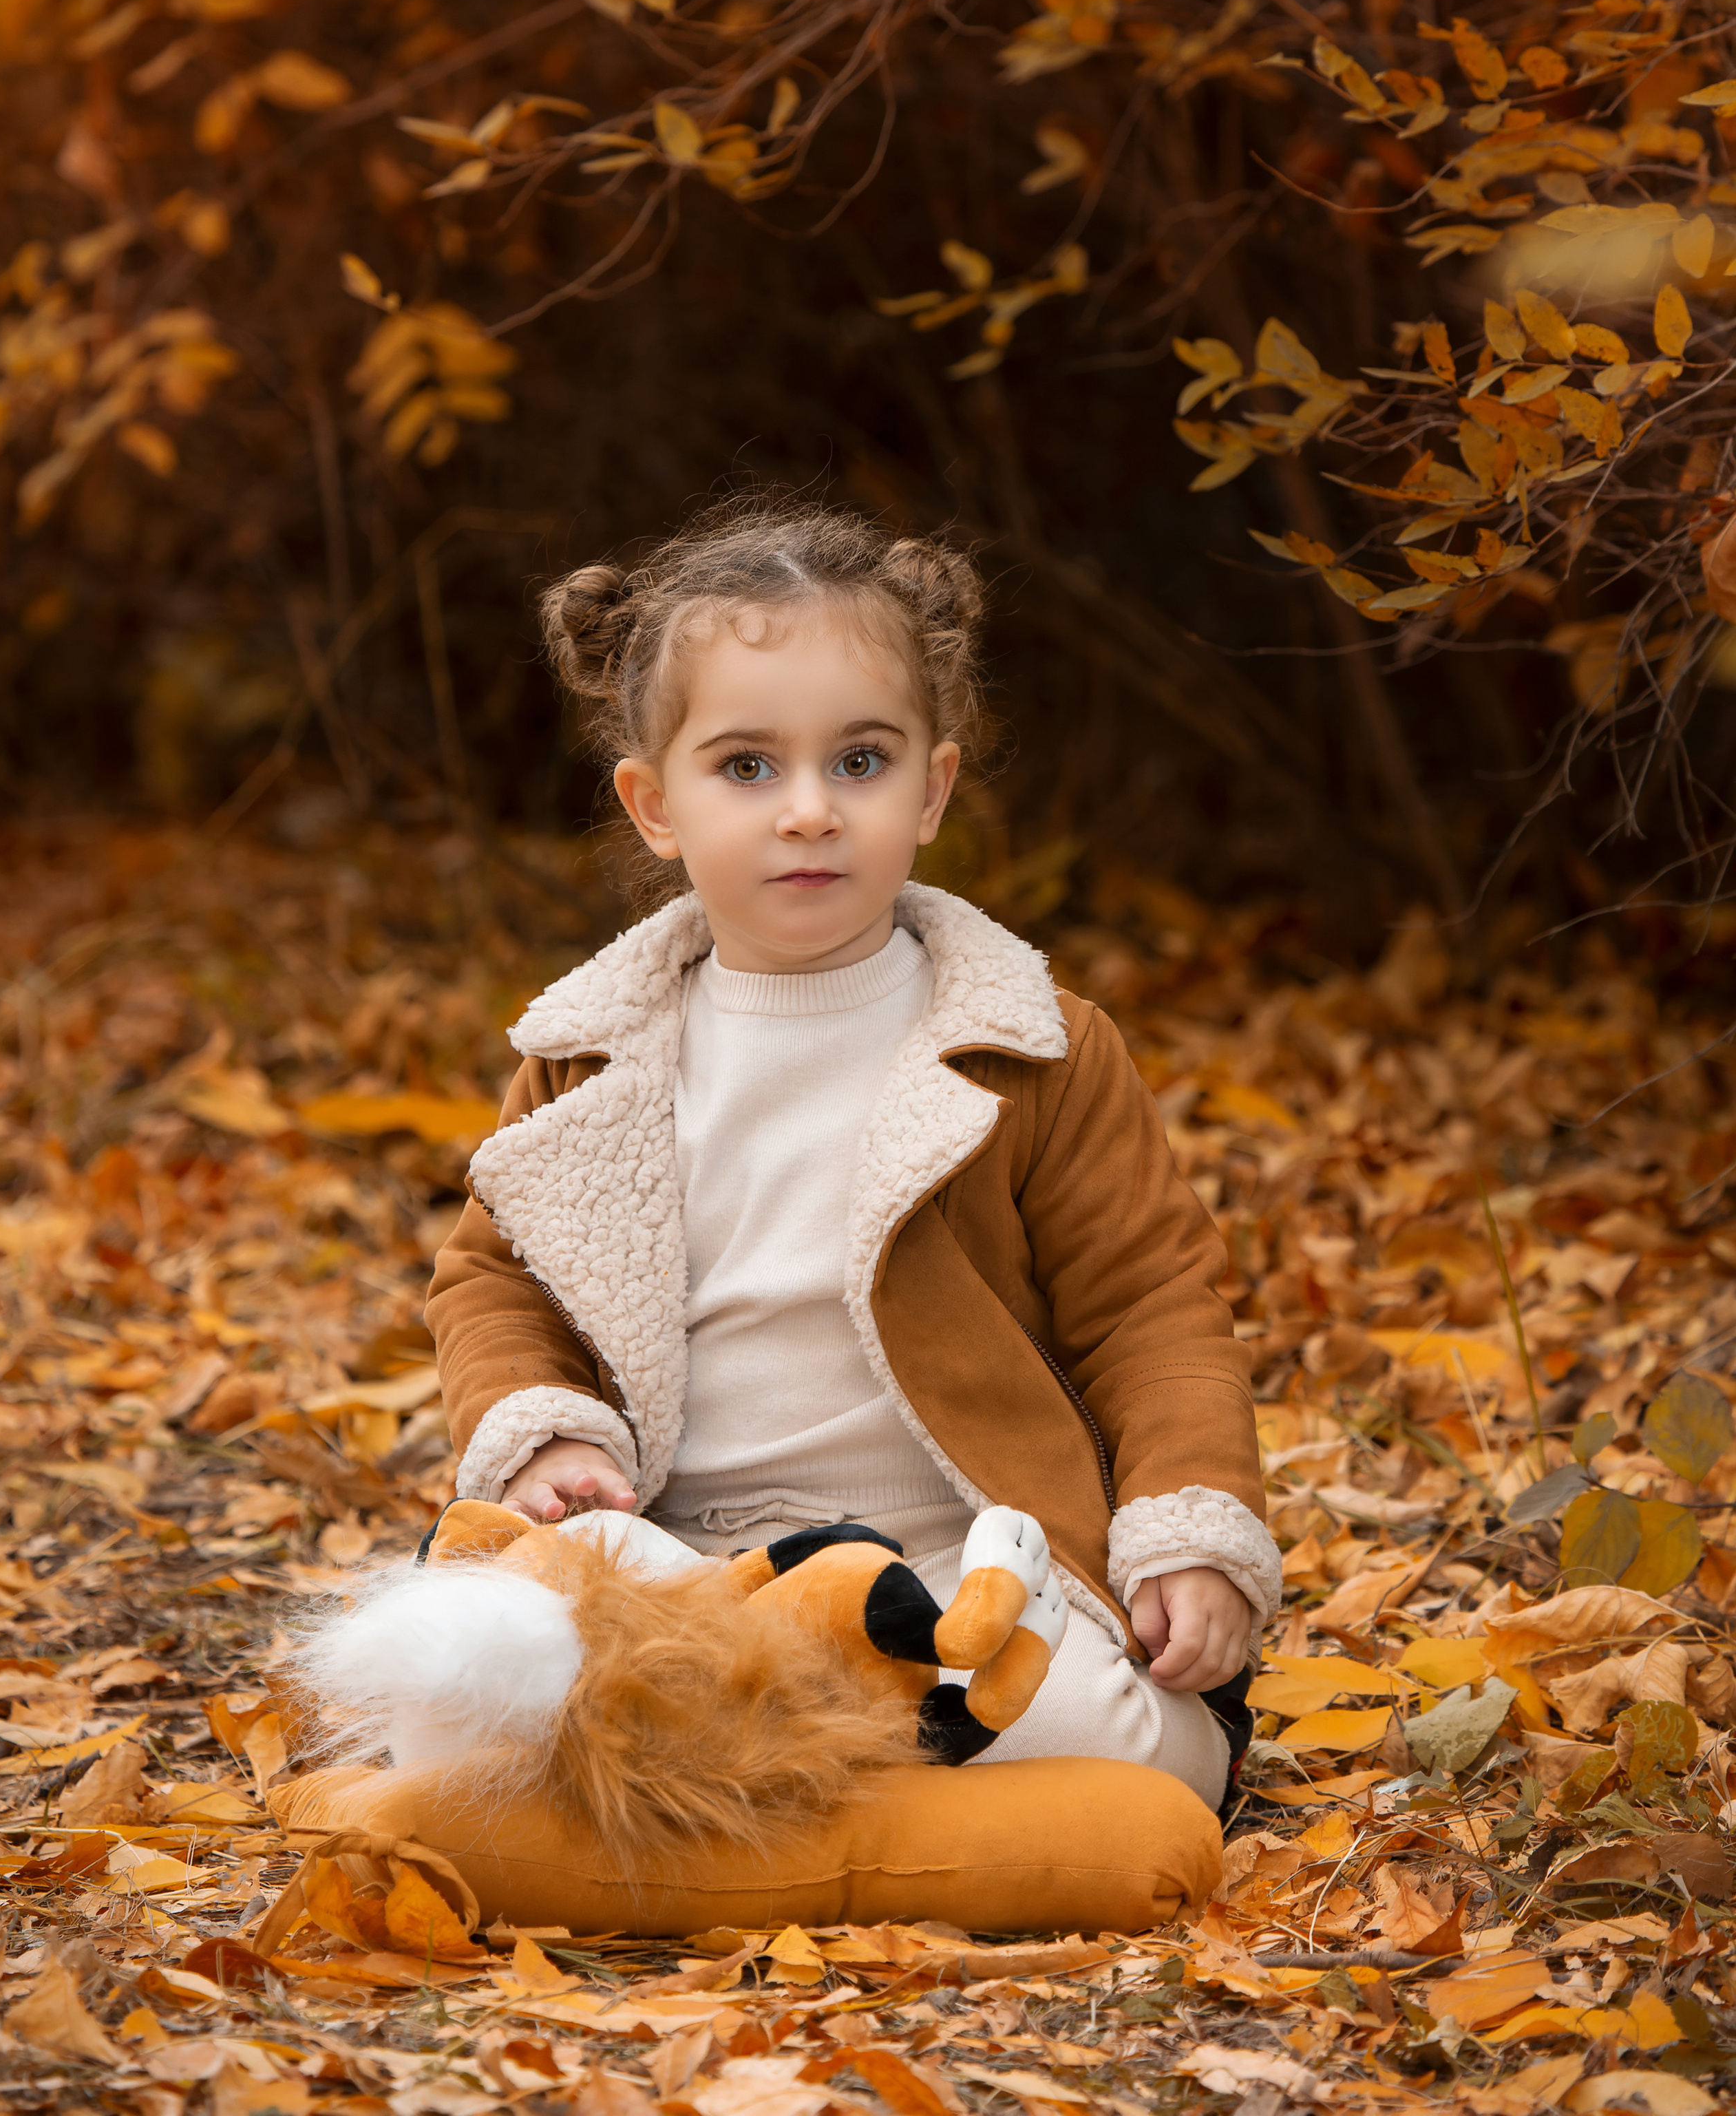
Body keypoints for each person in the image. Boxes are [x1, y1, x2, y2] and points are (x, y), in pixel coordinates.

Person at [425, 500, 1278, 1810]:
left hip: (967, 1566)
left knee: (1115, 1731)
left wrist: (1190, 1533)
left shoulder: (1030, 1051)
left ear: (931, 790)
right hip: (683, 1568)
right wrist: (541, 1437)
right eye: (748, 768)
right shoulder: (590, 1062)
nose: (811, 811)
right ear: (655, 806)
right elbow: (496, 1285)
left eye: (862, 762)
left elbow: (1152, 1312)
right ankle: (844, 1768)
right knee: (459, 1689)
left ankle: (794, 1776)